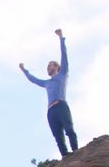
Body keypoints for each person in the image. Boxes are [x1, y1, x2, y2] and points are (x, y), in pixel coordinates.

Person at [20, 29, 78, 157]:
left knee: (69, 130)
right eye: (47, 66)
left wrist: (61, 38)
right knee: (58, 137)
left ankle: (76, 152)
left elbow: (64, 56)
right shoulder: (47, 83)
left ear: (57, 67)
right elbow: (33, 80)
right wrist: (24, 70)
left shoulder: (62, 75)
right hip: (51, 111)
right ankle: (65, 157)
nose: (48, 68)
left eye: (50, 65)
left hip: (61, 105)